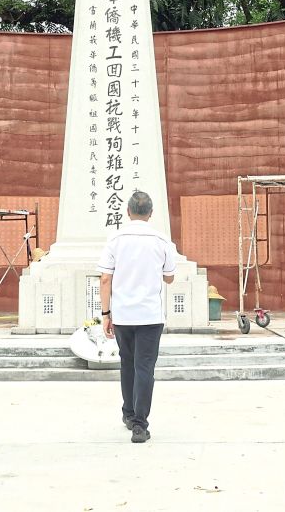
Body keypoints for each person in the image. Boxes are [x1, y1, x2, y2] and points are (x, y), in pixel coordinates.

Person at [98, 190, 176, 443]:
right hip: (150, 315)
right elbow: (169, 277)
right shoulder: (161, 240)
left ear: (128, 212)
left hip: (123, 315)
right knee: (144, 367)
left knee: (127, 363)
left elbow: (105, 278)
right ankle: (140, 425)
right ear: (151, 213)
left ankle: (129, 413)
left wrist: (106, 314)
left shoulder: (115, 239)